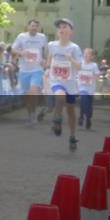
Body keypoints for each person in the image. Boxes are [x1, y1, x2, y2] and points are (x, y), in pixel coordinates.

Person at [46, 18, 83, 152]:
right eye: (59, 27)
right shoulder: (52, 45)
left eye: (64, 27)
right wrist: (46, 69)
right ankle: (57, 119)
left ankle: (72, 136)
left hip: (70, 83)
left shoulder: (75, 48)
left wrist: (70, 58)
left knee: (71, 111)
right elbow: (49, 60)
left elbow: (79, 67)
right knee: (60, 97)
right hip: (56, 80)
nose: (61, 29)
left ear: (71, 31)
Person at [11, 18, 47, 123]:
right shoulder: (21, 37)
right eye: (32, 26)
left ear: (38, 28)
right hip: (24, 70)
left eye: (36, 26)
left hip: (37, 69)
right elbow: (13, 50)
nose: (34, 28)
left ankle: (34, 113)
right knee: (27, 95)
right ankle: (30, 114)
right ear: (28, 27)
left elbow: (46, 51)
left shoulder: (42, 37)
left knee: (34, 91)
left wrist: (45, 60)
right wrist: (22, 53)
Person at [77, 48, 100, 130]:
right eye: (85, 53)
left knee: (89, 105)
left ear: (92, 56)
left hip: (90, 88)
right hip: (82, 86)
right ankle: (81, 116)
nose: (86, 55)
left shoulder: (94, 65)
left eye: (88, 54)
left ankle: (88, 118)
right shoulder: (80, 63)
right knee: (83, 99)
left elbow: (97, 74)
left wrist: (93, 77)